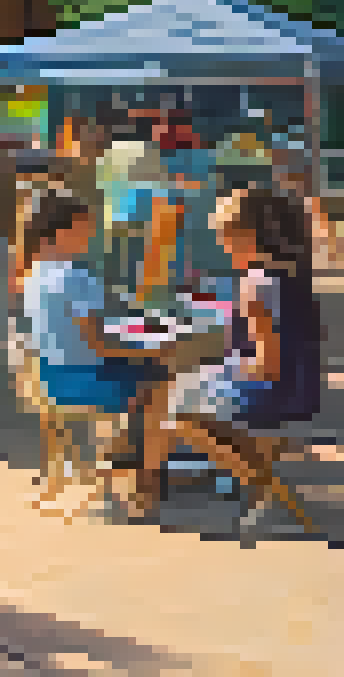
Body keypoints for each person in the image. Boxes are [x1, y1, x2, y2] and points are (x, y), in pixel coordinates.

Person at [136, 188, 323, 533]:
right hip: (302, 390)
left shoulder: (255, 284)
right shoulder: (293, 276)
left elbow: (268, 365)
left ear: (248, 236)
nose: (222, 246)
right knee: (179, 390)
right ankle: (237, 480)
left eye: (223, 236)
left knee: (162, 404)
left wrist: (222, 367)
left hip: (269, 393)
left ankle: (150, 494)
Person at [20, 190, 175, 495]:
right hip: (82, 383)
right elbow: (97, 344)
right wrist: (151, 346)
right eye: (86, 228)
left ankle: (122, 455)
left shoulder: (34, 273)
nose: (90, 236)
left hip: (47, 380)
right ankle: (149, 477)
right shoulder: (76, 277)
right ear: (62, 231)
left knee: (145, 372)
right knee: (160, 382)